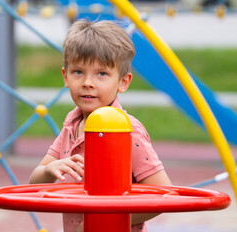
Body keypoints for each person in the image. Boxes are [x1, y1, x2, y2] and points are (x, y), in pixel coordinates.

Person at [29, 19, 172, 232]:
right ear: (65, 76)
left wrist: (100, 222)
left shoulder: (127, 130)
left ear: (123, 82)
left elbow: (164, 196)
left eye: (102, 73)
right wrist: (49, 170)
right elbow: (34, 185)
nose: (88, 82)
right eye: (78, 72)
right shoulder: (72, 123)